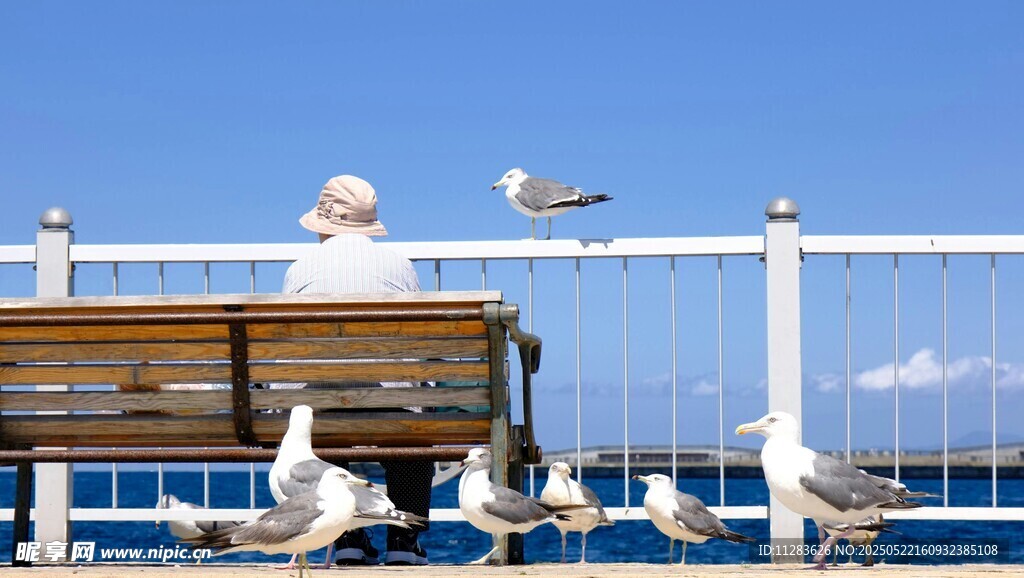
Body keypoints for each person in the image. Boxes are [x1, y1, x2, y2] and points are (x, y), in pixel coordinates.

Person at [282, 175, 432, 566]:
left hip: (319, 408)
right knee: (413, 439)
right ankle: (403, 542)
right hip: (391, 407)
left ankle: (346, 537)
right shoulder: (399, 266)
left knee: (321, 425)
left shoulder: (299, 270)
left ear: (324, 226)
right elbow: (419, 339)